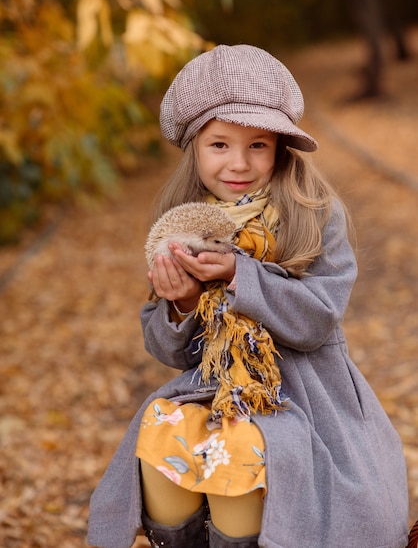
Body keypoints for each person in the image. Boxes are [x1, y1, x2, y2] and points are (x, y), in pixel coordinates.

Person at [87, 44, 410, 548]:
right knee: (163, 429)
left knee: (249, 451)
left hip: (305, 395)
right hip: (214, 389)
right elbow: (171, 352)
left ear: (280, 147)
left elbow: (317, 321)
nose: (239, 162)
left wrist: (243, 273)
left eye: (258, 145)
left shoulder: (313, 213)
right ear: (195, 146)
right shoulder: (184, 223)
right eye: (220, 145)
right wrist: (184, 303)